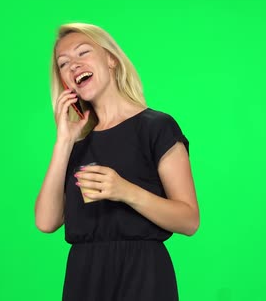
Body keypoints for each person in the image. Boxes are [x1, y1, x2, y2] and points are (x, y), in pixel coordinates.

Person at [35, 23, 199, 301]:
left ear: (110, 58)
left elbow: (189, 220)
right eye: (63, 64)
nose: (73, 66)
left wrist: (125, 191)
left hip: (143, 275)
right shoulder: (76, 142)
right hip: (84, 278)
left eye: (83, 53)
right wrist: (63, 142)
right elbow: (46, 221)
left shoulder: (157, 127)